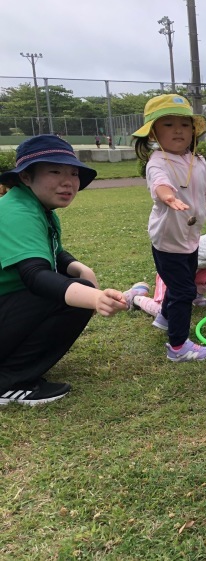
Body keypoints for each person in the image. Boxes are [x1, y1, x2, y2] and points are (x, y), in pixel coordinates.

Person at [0, 135, 130, 406]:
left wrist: (79, 267)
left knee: (74, 287)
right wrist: (93, 298)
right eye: (55, 171)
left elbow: (51, 251)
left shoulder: (34, 206)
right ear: (26, 177)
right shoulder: (18, 212)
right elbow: (34, 275)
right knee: (74, 298)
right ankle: (10, 381)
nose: (68, 181)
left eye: (73, 173)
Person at [132, 93, 206, 362]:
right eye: (168, 124)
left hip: (190, 237)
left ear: (193, 131)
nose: (178, 130)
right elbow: (160, 183)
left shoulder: (199, 161)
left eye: (184, 125)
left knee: (179, 283)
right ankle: (177, 347)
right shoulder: (158, 162)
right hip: (168, 239)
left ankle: (164, 318)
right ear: (153, 132)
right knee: (184, 290)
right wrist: (168, 197)